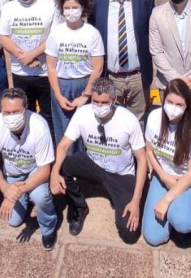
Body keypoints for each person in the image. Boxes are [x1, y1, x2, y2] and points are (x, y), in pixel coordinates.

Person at [50, 78, 148, 244]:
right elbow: (63, 145)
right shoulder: (83, 114)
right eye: (95, 102)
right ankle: (79, 206)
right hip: (94, 163)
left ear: (114, 100)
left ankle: (128, 194)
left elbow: (142, 159)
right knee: (62, 167)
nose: (99, 106)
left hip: (121, 174)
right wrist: (54, 172)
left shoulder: (128, 120)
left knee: (129, 235)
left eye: (104, 102)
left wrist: (136, 201)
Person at [0, 88, 58, 250]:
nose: (11, 117)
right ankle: (25, 198)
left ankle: (48, 227)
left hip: (35, 170)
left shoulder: (39, 126)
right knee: (13, 221)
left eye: (16, 112)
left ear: (26, 108)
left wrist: (13, 194)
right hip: (12, 173)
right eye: (6, 112)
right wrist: (5, 188)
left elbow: (44, 171)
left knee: (40, 196)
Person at [141, 79, 191, 246]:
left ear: (187, 106)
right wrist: (164, 177)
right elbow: (149, 151)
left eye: (179, 104)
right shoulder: (154, 117)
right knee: (153, 237)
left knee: (181, 221)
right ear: (163, 99)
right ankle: (177, 207)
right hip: (164, 174)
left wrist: (166, 200)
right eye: (170, 102)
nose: (173, 108)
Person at [88, 0, 156, 120]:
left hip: (137, 76)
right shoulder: (95, 3)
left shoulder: (145, 1)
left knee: (138, 121)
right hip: (110, 76)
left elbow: (150, 33)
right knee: (111, 120)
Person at [0, 0, 57, 135]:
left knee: (48, 115)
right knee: (25, 114)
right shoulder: (9, 7)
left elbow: (54, 36)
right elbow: (3, 36)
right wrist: (22, 56)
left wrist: (33, 55)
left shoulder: (50, 6)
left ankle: (49, 144)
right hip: (20, 71)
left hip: (45, 72)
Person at [46, 0, 105, 146]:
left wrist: (85, 95)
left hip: (85, 84)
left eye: (75, 7)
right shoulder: (56, 33)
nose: (71, 11)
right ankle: (64, 160)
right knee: (63, 130)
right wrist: (58, 95)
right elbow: (51, 67)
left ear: (83, 7)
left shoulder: (92, 33)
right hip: (61, 84)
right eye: (67, 8)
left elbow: (97, 68)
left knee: (84, 130)